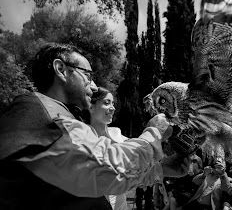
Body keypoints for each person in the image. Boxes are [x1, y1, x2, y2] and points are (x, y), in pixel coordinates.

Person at [0, 43, 190, 210]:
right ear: (60, 69)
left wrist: (160, 169)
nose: (93, 87)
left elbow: (92, 175)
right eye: (87, 76)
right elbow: (110, 168)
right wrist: (154, 132)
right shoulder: (42, 115)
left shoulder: (52, 115)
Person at [88, 86, 128, 210]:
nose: (113, 108)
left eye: (113, 103)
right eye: (107, 103)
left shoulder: (120, 138)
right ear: (91, 107)